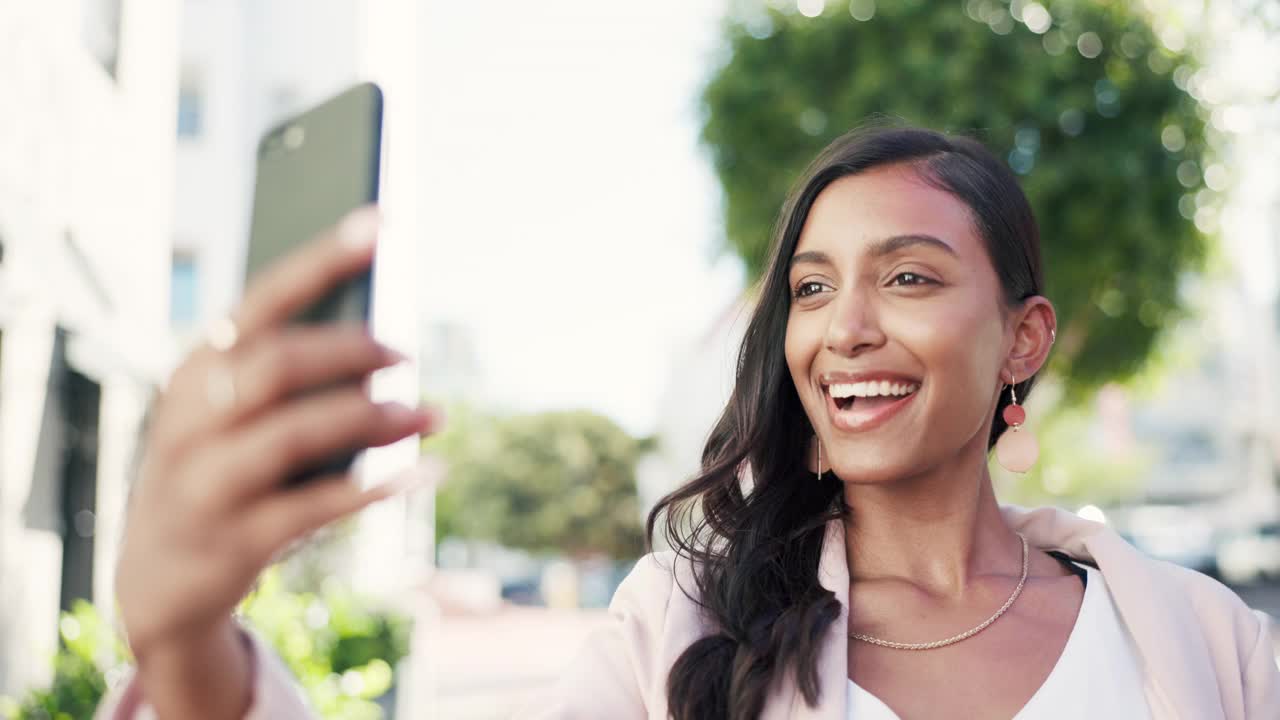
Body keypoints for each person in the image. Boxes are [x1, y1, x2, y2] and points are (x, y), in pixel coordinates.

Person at [97, 126, 1279, 720]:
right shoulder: (684, 624)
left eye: (908, 278)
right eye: (810, 288)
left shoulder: (1205, 642)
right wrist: (193, 649)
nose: (845, 327)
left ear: (1023, 338)